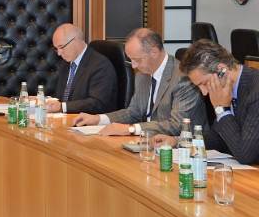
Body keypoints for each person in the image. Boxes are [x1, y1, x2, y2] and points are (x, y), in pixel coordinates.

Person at [74, 28, 207, 136]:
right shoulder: (143, 75)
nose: (133, 66)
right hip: (148, 141)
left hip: (184, 149)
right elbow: (134, 112)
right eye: (131, 60)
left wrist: (131, 129)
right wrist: (99, 119)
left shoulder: (183, 78)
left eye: (137, 60)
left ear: (154, 52)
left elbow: (176, 125)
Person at [172, 39, 259, 164]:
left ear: (222, 70)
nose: (204, 92)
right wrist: (178, 141)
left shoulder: (256, 91)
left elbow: (245, 154)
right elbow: (220, 136)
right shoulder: (227, 89)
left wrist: (221, 109)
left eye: (205, 83)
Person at [47, 24, 117, 114]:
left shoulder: (100, 65)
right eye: (56, 49)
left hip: (90, 120)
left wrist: (62, 107)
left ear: (76, 41)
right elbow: (63, 96)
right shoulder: (66, 63)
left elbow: (97, 103)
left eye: (61, 47)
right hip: (67, 117)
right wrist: (43, 100)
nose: (59, 53)